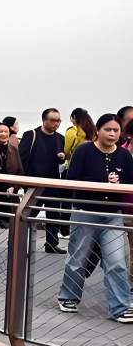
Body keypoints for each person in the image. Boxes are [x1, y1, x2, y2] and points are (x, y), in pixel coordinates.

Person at [57, 114, 133, 322]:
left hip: (113, 214)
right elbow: (72, 179)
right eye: (108, 129)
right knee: (78, 257)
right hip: (85, 211)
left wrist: (119, 183)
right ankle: (68, 297)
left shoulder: (124, 155)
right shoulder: (84, 150)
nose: (112, 134)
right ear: (98, 130)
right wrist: (102, 180)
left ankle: (120, 306)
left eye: (116, 130)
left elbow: (130, 181)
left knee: (117, 261)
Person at [18, 108, 66, 252]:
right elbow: (22, 158)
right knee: (28, 214)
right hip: (34, 183)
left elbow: (59, 161)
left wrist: (62, 159)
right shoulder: (31, 135)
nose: (57, 123)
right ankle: (16, 241)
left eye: (59, 120)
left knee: (54, 213)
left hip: (53, 182)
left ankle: (51, 244)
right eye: (53, 120)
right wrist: (23, 182)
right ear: (44, 120)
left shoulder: (60, 138)